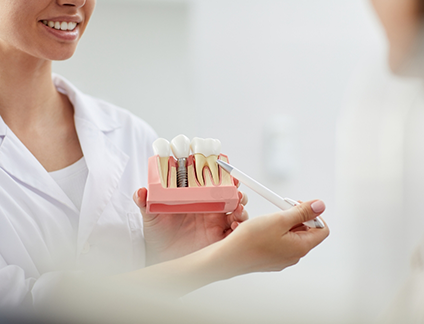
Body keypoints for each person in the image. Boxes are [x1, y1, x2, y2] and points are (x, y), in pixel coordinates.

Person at [0, 0, 329, 314]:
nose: (75, 2)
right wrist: (223, 260)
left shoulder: (129, 133)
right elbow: (23, 310)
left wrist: (164, 258)